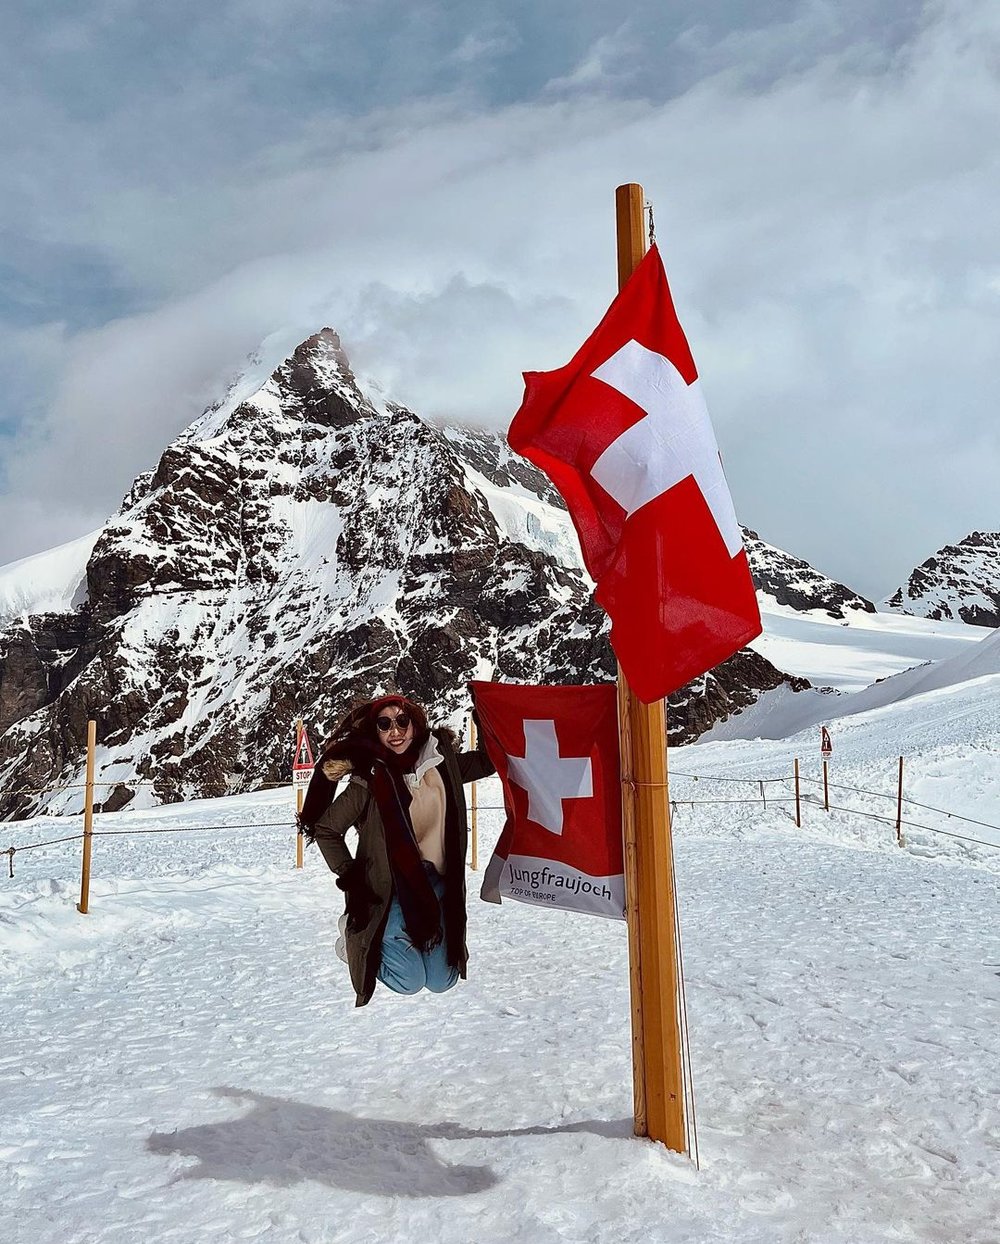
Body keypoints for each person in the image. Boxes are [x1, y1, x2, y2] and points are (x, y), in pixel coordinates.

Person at [298, 695, 495, 1008]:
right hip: (389, 890)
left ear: (415, 725)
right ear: (375, 732)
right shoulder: (369, 779)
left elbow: (488, 761)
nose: (395, 730)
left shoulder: (442, 766)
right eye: (384, 723)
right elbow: (326, 829)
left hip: (436, 886)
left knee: (443, 980)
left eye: (402, 720)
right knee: (409, 983)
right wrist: (351, 876)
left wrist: (485, 711)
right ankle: (353, 943)